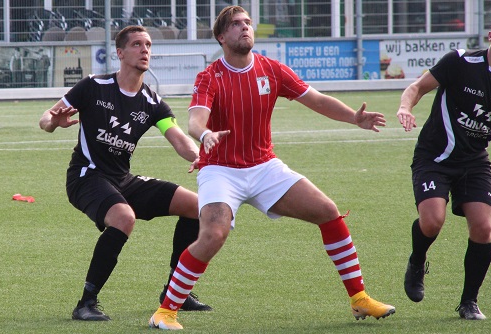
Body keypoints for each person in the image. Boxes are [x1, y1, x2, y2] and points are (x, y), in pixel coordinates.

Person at [149, 5, 395, 330]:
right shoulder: (209, 76)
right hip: (221, 170)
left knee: (328, 211)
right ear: (222, 36)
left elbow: (317, 99)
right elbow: (196, 120)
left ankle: (359, 299)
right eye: (236, 24)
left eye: (248, 22)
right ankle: (165, 313)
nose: (245, 28)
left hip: (264, 167)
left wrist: (354, 117)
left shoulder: (272, 69)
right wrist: (206, 134)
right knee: (213, 234)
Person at [38, 25, 212, 321]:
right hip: (86, 176)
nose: (145, 50)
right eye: (137, 44)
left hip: (122, 180)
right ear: (120, 53)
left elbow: (178, 137)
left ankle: (176, 293)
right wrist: (55, 122)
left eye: (148, 45)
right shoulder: (93, 86)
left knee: (197, 207)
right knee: (123, 217)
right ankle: (85, 303)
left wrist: (200, 156)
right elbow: (46, 119)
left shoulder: (152, 102)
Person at [396, 6, 491, 320]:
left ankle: (468, 302)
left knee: (483, 227)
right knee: (433, 221)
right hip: (434, 157)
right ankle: (417, 260)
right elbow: (417, 88)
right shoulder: (460, 62)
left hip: (474, 163)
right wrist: (406, 107)